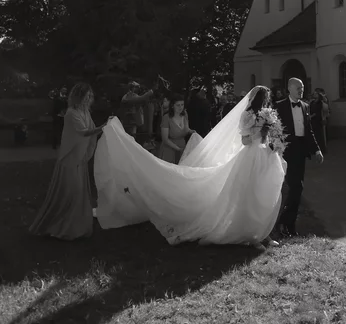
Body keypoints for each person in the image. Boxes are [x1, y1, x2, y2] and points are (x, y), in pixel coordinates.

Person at [94, 85, 286, 248]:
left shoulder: (267, 116)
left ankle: (264, 233)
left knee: (265, 193)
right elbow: (244, 141)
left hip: (265, 156)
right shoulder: (248, 115)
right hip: (249, 158)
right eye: (267, 98)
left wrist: (272, 142)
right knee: (248, 196)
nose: (269, 101)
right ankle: (250, 235)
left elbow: (267, 137)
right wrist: (259, 131)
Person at [30, 83, 106, 240]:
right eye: (87, 96)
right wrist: (103, 127)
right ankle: (62, 225)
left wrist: (102, 129)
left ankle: (76, 226)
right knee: (71, 192)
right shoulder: (71, 113)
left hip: (80, 158)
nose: (89, 99)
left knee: (79, 193)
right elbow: (83, 132)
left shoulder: (85, 112)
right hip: (70, 158)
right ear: (79, 96)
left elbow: (91, 129)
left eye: (91, 96)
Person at [275, 77, 323, 237]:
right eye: (298, 88)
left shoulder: (305, 106)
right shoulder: (279, 106)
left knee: (298, 188)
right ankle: (285, 222)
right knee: (296, 187)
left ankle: (289, 224)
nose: (301, 91)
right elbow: (275, 131)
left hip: (301, 153)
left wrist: (316, 150)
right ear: (289, 88)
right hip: (287, 152)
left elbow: (309, 131)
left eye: (302, 88)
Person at [159, 95, 191, 163]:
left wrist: (191, 132)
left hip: (182, 148)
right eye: (178, 105)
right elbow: (165, 139)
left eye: (182, 105)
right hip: (169, 150)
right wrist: (178, 149)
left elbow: (186, 129)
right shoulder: (166, 118)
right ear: (172, 106)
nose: (180, 107)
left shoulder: (185, 114)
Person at [309, 88, 328, 156]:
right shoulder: (312, 102)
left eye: (316, 93)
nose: (314, 94)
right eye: (314, 94)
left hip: (318, 121)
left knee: (319, 135)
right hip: (312, 121)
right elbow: (310, 110)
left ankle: (321, 149)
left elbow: (318, 112)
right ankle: (313, 149)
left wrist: (311, 116)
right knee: (313, 135)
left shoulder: (320, 103)